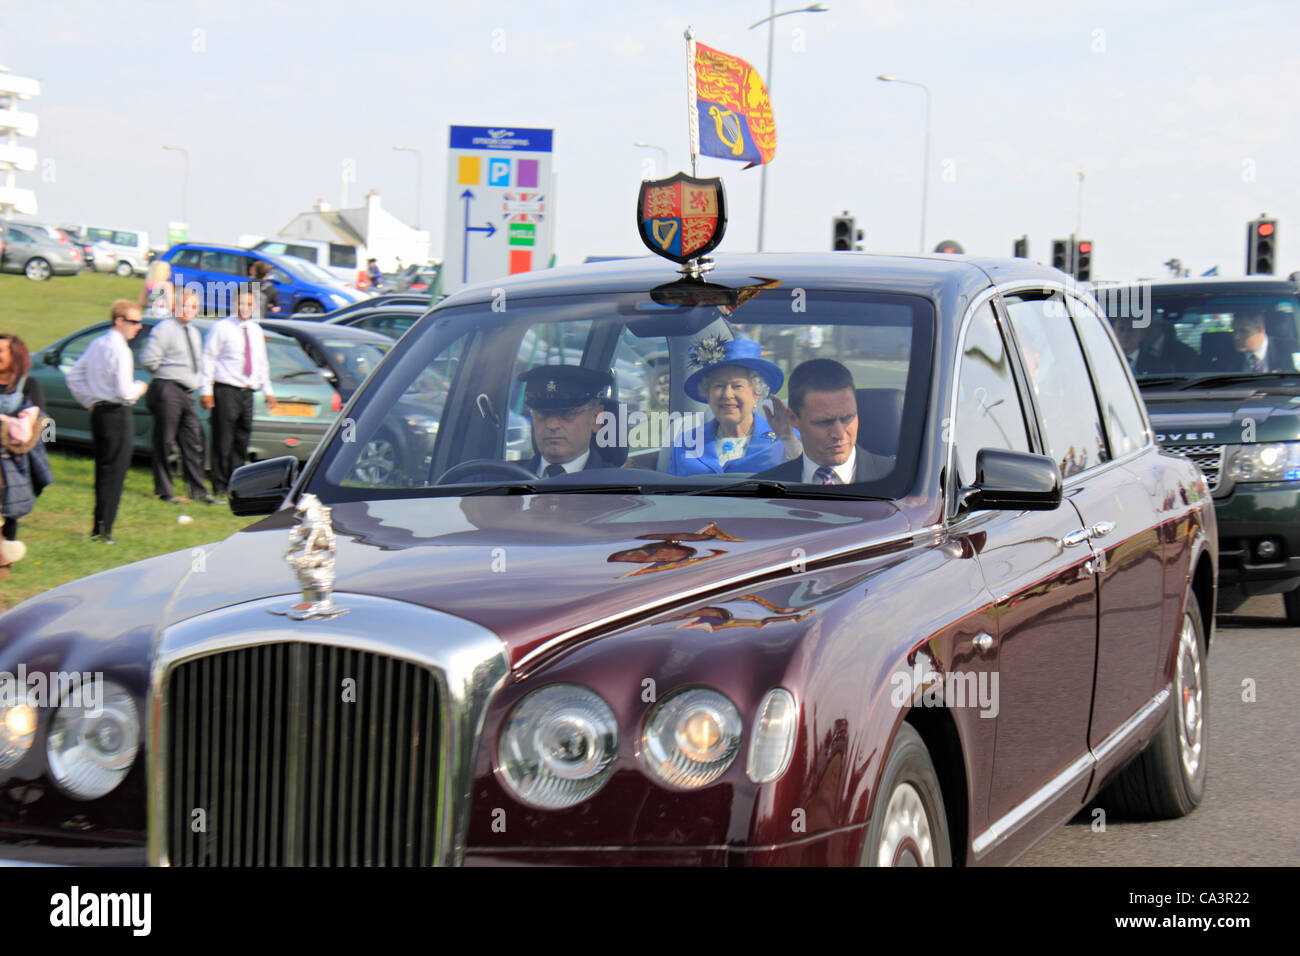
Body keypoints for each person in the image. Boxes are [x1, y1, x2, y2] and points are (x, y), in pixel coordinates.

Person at [65, 300, 149, 544]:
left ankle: (98, 526)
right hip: (117, 413)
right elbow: (124, 392)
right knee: (115, 472)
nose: (138, 327)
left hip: (100, 412)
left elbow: (74, 376)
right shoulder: (120, 349)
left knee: (103, 470)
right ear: (119, 321)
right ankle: (105, 530)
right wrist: (140, 388)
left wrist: (89, 400)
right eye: (133, 322)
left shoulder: (97, 343)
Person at [669, 337, 797, 476]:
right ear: (708, 393)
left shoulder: (784, 438)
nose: (727, 394)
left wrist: (787, 439)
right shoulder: (687, 441)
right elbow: (669, 492)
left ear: (756, 393)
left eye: (737, 386)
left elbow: (807, 477)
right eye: (719, 386)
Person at [755, 359, 893, 484]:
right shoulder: (765, 487)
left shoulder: (899, 480)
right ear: (793, 418)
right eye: (824, 422)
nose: (839, 434)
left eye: (847, 418)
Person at [200, 289, 278, 497]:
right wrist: (206, 390)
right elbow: (209, 359)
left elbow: (262, 362)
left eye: (250, 304)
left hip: (247, 391)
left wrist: (268, 391)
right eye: (242, 303)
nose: (245, 308)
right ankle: (219, 483)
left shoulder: (255, 330)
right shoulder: (222, 327)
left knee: (241, 438)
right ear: (235, 305)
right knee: (223, 439)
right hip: (226, 389)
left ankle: (236, 483)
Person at [141, 289, 214, 503]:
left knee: (193, 441)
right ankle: (165, 490)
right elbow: (149, 359)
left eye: (193, 307)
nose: (188, 311)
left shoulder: (193, 332)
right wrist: (165, 375)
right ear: (174, 307)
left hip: (186, 392)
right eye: (184, 306)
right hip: (167, 388)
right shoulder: (164, 329)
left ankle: (198, 491)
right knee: (165, 441)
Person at [0, 333, 53, 574]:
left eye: (2, 351)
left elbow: (39, 424)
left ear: (16, 356)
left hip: (13, 459)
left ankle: (4, 561)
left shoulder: (29, 385)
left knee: (10, 510)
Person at [519, 365, 616, 477]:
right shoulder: (505, 480)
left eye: (567, 414)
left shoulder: (619, 488)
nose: (552, 425)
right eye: (542, 414)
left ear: (595, 418)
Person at [1113, 315, 1197, 375]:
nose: (1125, 335)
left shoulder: (1158, 366)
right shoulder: (1104, 362)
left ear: (1142, 334)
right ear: (1113, 332)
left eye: (1131, 330)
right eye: (1121, 329)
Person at [1229, 310, 1296, 373]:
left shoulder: (1290, 349)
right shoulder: (1227, 355)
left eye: (1243, 331)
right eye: (1234, 331)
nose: (1236, 337)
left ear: (1260, 329)